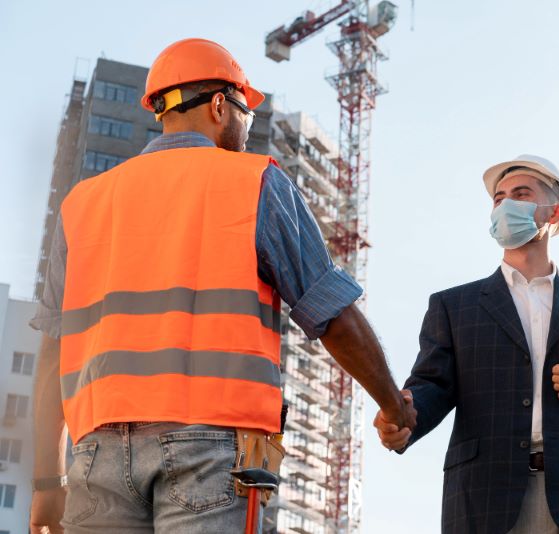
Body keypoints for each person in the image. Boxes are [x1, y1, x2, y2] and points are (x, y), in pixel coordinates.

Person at [29, 38, 415, 533]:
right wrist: (392, 406)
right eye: (244, 111)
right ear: (218, 105)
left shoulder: (83, 205)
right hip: (211, 452)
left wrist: (45, 482)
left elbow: (51, 352)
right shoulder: (253, 182)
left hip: (95, 455)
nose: (248, 126)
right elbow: (331, 314)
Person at [374, 154, 559, 533]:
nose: (505, 205)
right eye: (498, 198)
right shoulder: (454, 306)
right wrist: (402, 417)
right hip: (486, 497)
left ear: (554, 213)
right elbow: (430, 388)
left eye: (520, 195)